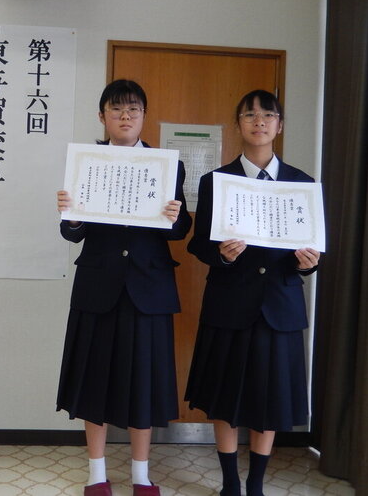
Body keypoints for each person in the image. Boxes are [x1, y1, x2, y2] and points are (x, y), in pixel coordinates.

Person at [56, 79, 192, 496]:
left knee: (143, 383)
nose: (125, 116)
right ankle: (96, 473)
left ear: (144, 116)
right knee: (93, 380)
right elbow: (73, 231)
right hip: (98, 285)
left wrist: (175, 216)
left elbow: (180, 229)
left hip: (148, 287)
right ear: (102, 117)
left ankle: (141, 474)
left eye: (133, 109)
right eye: (116, 109)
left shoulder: (167, 165)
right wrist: (71, 216)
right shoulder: (86, 162)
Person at [184, 90, 320, 496]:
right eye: (250, 115)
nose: (259, 121)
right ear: (238, 124)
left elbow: (314, 251)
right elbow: (198, 244)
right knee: (225, 396)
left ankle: (256, 484)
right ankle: (230, 483)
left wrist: (309, 263)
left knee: (269, 399)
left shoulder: (303, 184)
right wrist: (221, 255)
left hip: (279, 305)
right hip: (229, 303)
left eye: (268, 115)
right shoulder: (216, 181)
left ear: (279, 125)